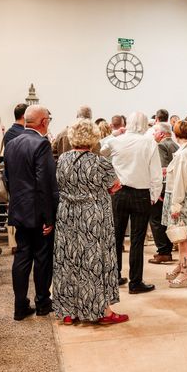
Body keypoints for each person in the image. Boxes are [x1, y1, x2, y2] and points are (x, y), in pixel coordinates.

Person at [52, 119, 128, 325]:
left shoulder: (63, 160)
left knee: (68, 259)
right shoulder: (99, 162)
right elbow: (115, 186)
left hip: (67, 214)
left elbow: (58, 184)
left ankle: (68, 312)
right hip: (93, 215)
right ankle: (103, 311)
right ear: (94, 138)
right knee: (95, 259)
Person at [4, 105, 58, 320]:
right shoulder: (41, 144)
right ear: (44, 122)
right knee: (43, 258)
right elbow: (45, 184)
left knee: (22, 257)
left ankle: (19, 306)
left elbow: (8, 178)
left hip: (19, 209)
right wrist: (49, 217)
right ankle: (43, 302)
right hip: (38, 212)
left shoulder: (12, 143)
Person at [101, 111, 162, 294]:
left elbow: (98, 152)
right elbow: (156, 174)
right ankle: (135, 282)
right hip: (141, 194)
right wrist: (154, 195)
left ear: (127, 123)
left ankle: (114, 276)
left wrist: (113, 135)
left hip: (118, 193)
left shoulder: (115, 141)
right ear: (144, 125)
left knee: (116, 237)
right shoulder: (149, 142)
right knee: (137, 239)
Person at [162, 121, 187, 288]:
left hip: (182, 200)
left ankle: (185, 273)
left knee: (183, 238)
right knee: (180, 238)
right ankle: (181, 266)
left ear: (176, 134)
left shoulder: (184, 154)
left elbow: (180, 181)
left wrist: (176, 205)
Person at [148, 122, 178, 264]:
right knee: (165, 221)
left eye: (155, 131)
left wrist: (159, 190)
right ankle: (167, 249)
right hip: (172, 188)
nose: (153, 134)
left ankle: (163, 251)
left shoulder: (161, 146)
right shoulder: (175, 145)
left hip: (163, 189)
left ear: (161, 134)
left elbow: (163, 170)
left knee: (156, 220)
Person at [3, 103, 28, 255]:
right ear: (25, 116)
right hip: (22, 181)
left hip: (12, 179)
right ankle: (17, 244)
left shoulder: (9, 133)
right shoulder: (22, 134)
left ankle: (14, 243)